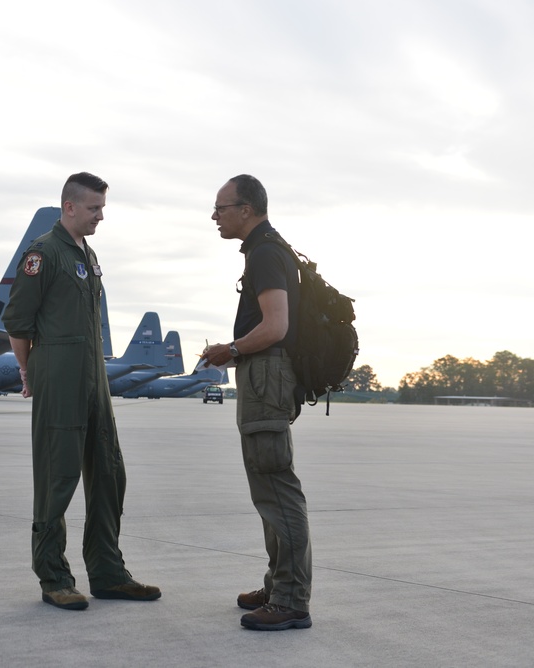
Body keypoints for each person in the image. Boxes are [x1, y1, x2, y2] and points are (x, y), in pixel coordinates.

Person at [2, 172, 161, 611]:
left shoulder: (86, 255)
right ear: (69, 207)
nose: (100, 216)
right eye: (93, 208)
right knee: (58, 478)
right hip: (60, 378)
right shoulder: (44, 253)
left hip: (95, 382)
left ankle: (108, 573)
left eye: (102, 208)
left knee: (110, 474)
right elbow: (17, 323)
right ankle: (53, 576)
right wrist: (27, 370)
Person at [203, 174, 313, 631]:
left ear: (247, 209)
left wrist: (228, 350)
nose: (215, 216)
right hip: (263, 376)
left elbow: (275, 327)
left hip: (266, 376)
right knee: (267, 488)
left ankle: (290, 600)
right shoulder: (267, 249)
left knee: (276, 486)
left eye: (221, 208)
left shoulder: (266, 253)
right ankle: (278, 583)